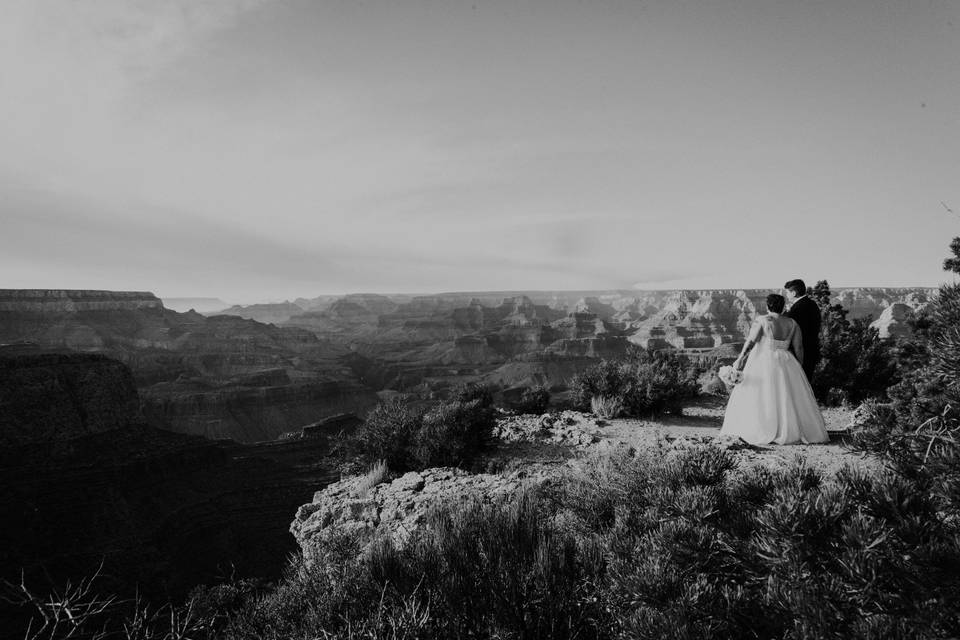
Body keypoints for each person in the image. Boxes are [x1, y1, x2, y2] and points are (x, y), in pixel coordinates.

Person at [720, 293, 828, 445]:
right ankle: (789, 430)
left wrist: (740, 358)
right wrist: (799, 366)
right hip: (787, 361)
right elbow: (798, 347)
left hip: (763, 360)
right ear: (783, 307)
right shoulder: (792, 323)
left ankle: (763, 428)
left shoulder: (763, 320)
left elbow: (751, 342)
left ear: (767, 306)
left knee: (761, 394)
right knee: (787, 395)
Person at [783, 279, 821, 382]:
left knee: (797, 384)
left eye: (787, 292)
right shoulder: (813, 304)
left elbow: (790, 330)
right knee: (806, 384)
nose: (786, 295)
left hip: (799, 353)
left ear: (794, 293)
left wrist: (786, 313)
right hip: (812, 350)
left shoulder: (797, 309)